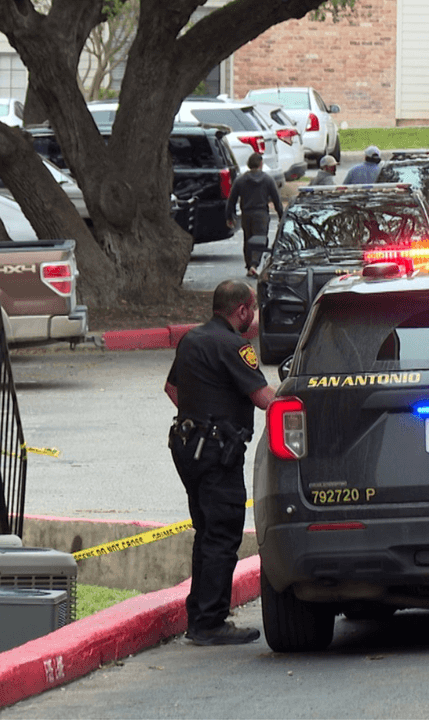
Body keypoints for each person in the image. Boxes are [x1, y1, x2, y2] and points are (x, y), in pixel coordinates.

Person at [164, 280, 277, 646]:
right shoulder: (234, 345)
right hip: (216, 454)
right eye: (252, 310)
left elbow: (172, 389)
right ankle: (210, 622)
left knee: (206, 532)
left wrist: (201, 416)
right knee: (223, 533)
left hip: (187, 448)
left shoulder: (191, 339)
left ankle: (199, 617)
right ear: (241, 310)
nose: (253, 317)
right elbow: (263, 398)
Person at [225, 153, 283, 278]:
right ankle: (254, 264)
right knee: (260, 239)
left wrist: (230, 216)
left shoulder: (240, 180)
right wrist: (281, 215)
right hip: (261, 214)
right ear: (261, 164)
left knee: (248, 239)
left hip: (246, 214)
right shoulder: (268, 180)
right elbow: (276, 199)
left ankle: (249, 265)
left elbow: (231, 199)